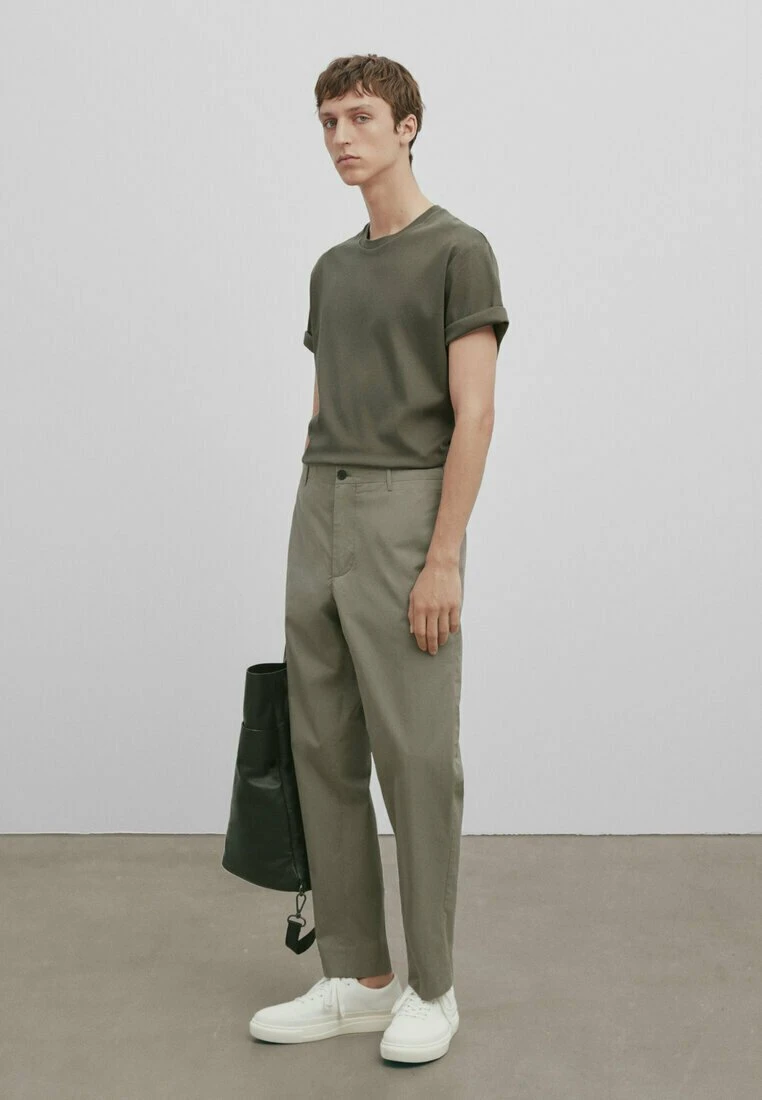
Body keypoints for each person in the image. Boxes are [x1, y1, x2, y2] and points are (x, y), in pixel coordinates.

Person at [250, 52, 509, 1065]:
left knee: (416, 756)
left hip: (407, 506)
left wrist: (443, 557)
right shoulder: (332, 267)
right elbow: (325, 402)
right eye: (327, 120)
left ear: (407, 126)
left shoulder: (460, 251)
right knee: (320, 741)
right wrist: (314, 508)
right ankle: (357, 975)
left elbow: (475, 414)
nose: (340, 137)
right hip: (321, 500)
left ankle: (432, 987)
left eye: (360, 116)